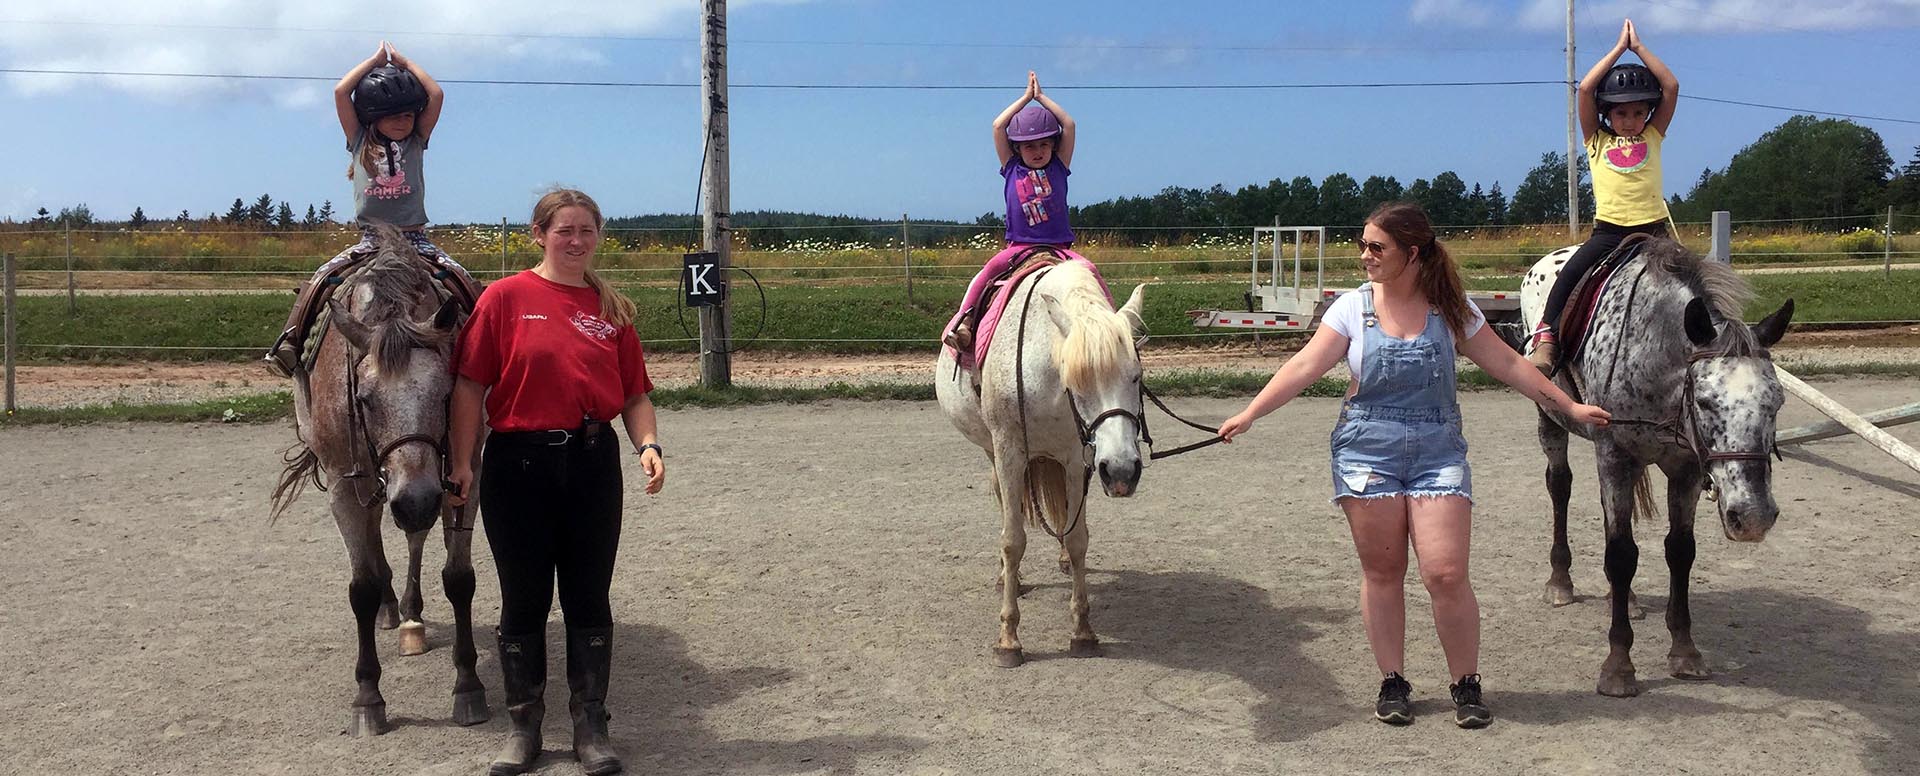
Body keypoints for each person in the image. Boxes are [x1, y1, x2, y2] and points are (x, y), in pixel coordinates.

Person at [1216, 202, 1611, 729]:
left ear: (1412, 252)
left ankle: (1466, 684)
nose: (1365, 256)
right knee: (1383, 572)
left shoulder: (1451, 309)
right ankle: (1393, 681)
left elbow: (1510, 364)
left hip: (1438, 450)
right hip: (1365, 450)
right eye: (1362, 245)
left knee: (1445, 573)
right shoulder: (1350, 309)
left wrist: (1568, 405)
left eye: (1376, 247)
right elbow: (1305, 365)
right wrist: (1250, 413)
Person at [446, 189, 665, 776]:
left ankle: (591, 725)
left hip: (592, 465)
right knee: (524, 599)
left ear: (599, 236)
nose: (576, 241)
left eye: (587, 230)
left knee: (588, 597)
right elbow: (470, 386)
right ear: (539, 233)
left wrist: (647, 444)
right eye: (564, 230)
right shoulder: (504, 299)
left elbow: (635, 393)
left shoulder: (612, 310)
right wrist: (463, 461)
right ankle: (524, 726)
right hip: (518, 466)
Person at [264, 41, 474, 376]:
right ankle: (291, 342)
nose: (403, 121)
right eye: (393, 116)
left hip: (414, 238)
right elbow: (340, 92)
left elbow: (436, 95)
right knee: (322, 279)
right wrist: (373, 62)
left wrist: (405, 62)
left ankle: (483, 345)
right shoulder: (360, 139)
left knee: (463, 281)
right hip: (371, 239)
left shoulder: (417, 140)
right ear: (373, 117)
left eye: (407, 114)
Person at [1527, 18, 1679, 370]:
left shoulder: (1653, 135)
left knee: (1693, 279)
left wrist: (1639, 48)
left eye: (1638, 112)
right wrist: (1617, 50)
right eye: (1621, 112)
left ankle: (1710, 338)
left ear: (1648, 113)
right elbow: (1584, 91)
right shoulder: (1597, 139)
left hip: (1654, 230)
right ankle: (1547, 337)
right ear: (1607, 113)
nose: (1630, 120)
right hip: (1609, 232)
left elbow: (1670, 87)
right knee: (1568, 276)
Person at [943, 70, 1103, 352]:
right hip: (1020, 247)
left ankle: (1109, 329)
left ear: (1054, 145)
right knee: (988, 271)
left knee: (1090, 272)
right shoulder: (1011, 168)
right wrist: (1026, 98)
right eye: (1030, 146)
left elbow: (1069, 124)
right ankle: (964, 321)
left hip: (1058, 248)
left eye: (1044, 144)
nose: (1038, 150)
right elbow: (997, 126)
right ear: (1017, 148)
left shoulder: (1059, 167)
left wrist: (1042, 98)